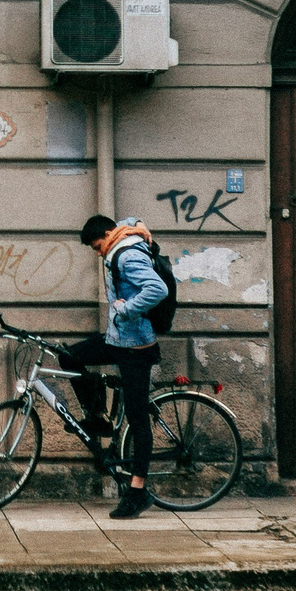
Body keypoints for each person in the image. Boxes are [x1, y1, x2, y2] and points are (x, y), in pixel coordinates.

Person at [59, 214, 168, 519]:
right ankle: (97, 417)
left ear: (109, 235)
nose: (98, 253)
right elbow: (130, 219)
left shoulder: (127, 255)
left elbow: (157, 289)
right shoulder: (123, 236)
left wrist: (125, 310)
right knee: (69, 356)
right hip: (117, 340)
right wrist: (140, 225)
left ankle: (138, 490)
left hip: (135, 348)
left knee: (138, 419)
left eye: (97, 246)